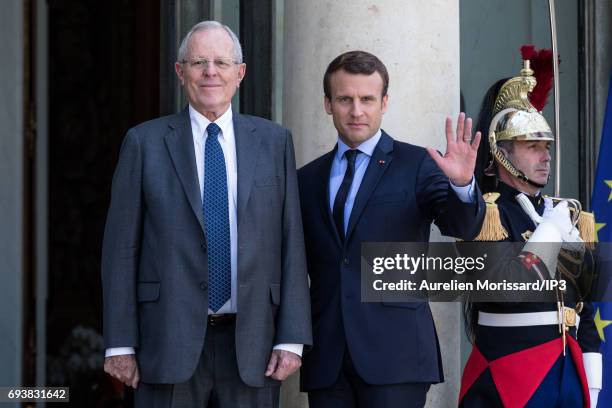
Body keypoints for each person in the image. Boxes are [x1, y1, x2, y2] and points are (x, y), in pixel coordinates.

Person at [101, 20, 312, 407]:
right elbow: (121, 250)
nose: (210, 72)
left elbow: (290, 240)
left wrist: (291, 337)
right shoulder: (144, 143)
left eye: (221, 62)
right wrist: (119, 343)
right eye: (198, 62)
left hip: (254, 345)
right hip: (166, 341)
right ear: (180, 72)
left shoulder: (274, 141)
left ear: (240, 73)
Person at [297, 50, 486, 408]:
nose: (357, 111)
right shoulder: (306, 179)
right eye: (345, 99)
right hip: (327, 359)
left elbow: (463, 227)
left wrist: (462, 186)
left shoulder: (417, 165)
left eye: (367, 99)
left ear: (384, 102)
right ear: (327, 103)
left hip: (396, 357)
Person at [459, 46, 602, 407]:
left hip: (567, 375)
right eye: (532, 145)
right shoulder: (489, 215)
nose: (546, 155)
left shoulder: (565, 215)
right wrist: (550, 234)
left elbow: (584, 308)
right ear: (502, 153)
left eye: (547, 145)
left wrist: (592, 381)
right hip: (508, 376)